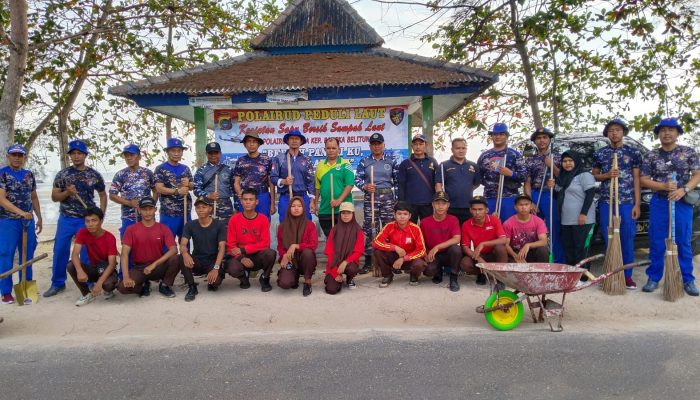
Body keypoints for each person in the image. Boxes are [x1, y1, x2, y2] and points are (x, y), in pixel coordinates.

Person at [640, 118, 700, 296]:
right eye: (663, 130)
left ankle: (687, 279)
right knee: (657, 239)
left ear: (677, 133)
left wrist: (684, 189)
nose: (667, 133)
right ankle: (654, 277)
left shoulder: (688, 152)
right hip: (659, 201)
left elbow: (697, 174)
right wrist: (663, 187)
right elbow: (643, 179)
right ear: (659, 134)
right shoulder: (651, 155)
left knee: (683, 240)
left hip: (682, 202)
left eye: (671, 130)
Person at [45, 139, 107, 297]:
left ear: (85, 155)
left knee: (87, 252)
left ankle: (89, 280)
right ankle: (58, 283)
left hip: (86, 220)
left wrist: (101, 216)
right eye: (73, 153)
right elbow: (54, 197)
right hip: (66, 218)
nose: (77, 156)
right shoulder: (63, 174)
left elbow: (102, 195)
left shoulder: (94, 175)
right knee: (60, 250)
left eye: (80, 153)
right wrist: (67, 193)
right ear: (70, 156)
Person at [591, 119, 642, 289]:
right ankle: (612, 272)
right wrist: (606, 175)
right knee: (609, 237)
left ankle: (626, 275)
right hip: (607, 201)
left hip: (626, 202)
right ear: (607, 134)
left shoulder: (633, 153)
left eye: (618, 130)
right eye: (611, 130)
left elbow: (637, 179)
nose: (614, 133)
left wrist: (637, 204)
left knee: (626, 238)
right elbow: (595, 176)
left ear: (623, 132)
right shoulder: (600, 153)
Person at [0, 144, 42, 305]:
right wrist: (20, 212)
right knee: (6, 254)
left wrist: (39, 217)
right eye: (14, 155)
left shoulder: (28, 175)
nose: (17, 158)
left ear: (24, 157)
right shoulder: (2, 174)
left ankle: (25, 286)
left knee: (27, 254)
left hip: (27, 221)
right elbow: (1, 199)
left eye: (20, 155)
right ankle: (5, 292)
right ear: (8, 157)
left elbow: (34, 197)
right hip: (7, 221)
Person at [117, 196, 180, 298]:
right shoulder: (131, 229)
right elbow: (124, 254)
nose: (147, 212)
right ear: (139, 210)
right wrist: (125, 277)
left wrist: (154, 265)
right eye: (144, 209)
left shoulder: (163, 228)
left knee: (176, 258)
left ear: (155, 210)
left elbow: (174, 250)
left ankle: (165, 285)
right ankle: (143, 286)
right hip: (139, 268)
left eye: (150, 209)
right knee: (122, 288)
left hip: (158, 267)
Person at [355, 132, 400, 274]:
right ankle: (369, 261)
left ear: (383, 145)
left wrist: (396, 201)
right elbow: (357, 180)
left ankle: (391, 260)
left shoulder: (391, 161)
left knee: (389, 228)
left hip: (387, 197)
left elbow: (397, 182)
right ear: (370, 146)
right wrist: (365, 187)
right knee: (370, 228)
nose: (376, 146)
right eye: (373, 144)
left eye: (379, 144)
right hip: (371, 197)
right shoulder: (364, 162)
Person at [551, 151, 596, 273]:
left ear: (576, 161)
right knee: (569, 248)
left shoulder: (584, 175)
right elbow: (557, 196)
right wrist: (552, 187)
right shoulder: (561, 178)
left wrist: (583, 214)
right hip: (566, 219)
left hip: (583, 219)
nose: (567, 163)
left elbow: (590, 194)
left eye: (570, 160)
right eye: (564, 161)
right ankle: (572, 274)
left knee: (581, 248)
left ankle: (583, 275)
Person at [523, 128, 563, 263]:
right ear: (535, 141)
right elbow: (527, 182)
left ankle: (557, 260)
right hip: (535, 194)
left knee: (554, 228)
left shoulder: (558, 157)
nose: (542, 140)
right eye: (538, 138)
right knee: (533, 228)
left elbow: (563, 178)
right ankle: (536, 260)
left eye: (545, 137)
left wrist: (552, 166)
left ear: (549, 140)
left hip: (551, 194)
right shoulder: (530, 160)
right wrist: (530, 202)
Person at [225, 188, 277, 292]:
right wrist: (241, 258)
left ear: (256, 202)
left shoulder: (263, 219)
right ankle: (243, 277)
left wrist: (244, 250)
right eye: (245, 199)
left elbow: (265, 243)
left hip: (257, 255)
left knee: (271, 253)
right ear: (241, 201)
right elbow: (231, 245)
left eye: (251, 199)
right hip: (240, 256)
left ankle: (265, 278)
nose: (248, 202)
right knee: (232, 267)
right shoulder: (234, 219)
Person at [66, 207, 118, 306]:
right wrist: (80, 271)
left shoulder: (110, 237)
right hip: (93, 267)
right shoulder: (82, 232)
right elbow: (75, 254)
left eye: (94, 220)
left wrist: (99, 283)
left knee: (108, 285)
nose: (90, 224)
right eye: (87, 221)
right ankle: (86, 294)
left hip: (107, 269)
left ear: (101, 221)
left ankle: (108, 290)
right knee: (71, 265)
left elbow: (112, 264)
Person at [178, 197, 226, 301]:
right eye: (198, 207)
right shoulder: (190, 225)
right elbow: (183, 244)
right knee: (181, 257)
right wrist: (185, 254)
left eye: (204, 207)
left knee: (215, 283)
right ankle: (192, 286)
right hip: (197, 261)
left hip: (212, 262)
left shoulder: (219, 224)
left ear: (210, 208)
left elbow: (222, 248)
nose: (200, 209)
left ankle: (211, 282)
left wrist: (216, 268)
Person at [476, 123, 526, 222]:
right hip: (490, 197)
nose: (498, 136)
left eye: (501, 134)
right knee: (490, 227)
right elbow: (478, 177)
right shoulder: (485, 155)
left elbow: (524, 176)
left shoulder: (514, 154)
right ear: (492, 136)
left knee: (508, 227)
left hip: (509, 198)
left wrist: (511, 173)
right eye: (495, 134)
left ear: (506, 136)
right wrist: (490, 183)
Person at [372, 202, 427, 288]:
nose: (402, 216)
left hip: (409, 259)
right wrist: (394, 247)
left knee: (419, 263)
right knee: (378, 251)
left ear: (409, 216)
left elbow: (422, 250)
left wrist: (404, 258)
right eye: (399, 213)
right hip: (393, 258)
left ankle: (413, 275)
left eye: (405, 214)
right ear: (394, 215)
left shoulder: (415, 228)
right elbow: (376, 242)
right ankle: (387, 275)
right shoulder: (389, 226)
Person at [109, 144, 156, 238]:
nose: (129, 158)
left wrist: (151, 206)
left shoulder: (148, 173)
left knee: (149, 243)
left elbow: (155, 190)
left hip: (147, 216)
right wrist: (129, 203)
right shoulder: (120, 175)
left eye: (132, 155)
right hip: (128, 217)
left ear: (139, 156)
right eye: (126, 156)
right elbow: (112, 195)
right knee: (129, 245)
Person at [459, 196, 508, 285]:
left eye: (480, 209)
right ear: (470, 210)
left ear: (486, 210)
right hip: (480, 254)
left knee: (500, 248)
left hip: (494, 254)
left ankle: (501, 278)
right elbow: (465, 246)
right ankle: (482, 274)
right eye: (474, 209)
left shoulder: (494, 220)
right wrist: (478, 259)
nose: (477, 212)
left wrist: (483, 244)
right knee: (465, 263)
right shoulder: (466, 224)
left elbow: (504, 240)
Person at [419, 191, 462, 292]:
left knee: (456, 249)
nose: (440, 207)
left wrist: (437, 247)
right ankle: (438, 272)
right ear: (433, 204)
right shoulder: (424, 222)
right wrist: (425, 255)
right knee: (428, 271)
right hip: (433, 255)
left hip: (448, 253)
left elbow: (457, 239)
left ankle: (453, 278)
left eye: (443, 204)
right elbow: (421, 242)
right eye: (438, 203)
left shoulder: (453, 219)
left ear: (448, 205)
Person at [276, 196, 319, 296]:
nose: (296, 208)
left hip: (305, 260)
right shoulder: (282, 226)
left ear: (303, 208)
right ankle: (293, 276)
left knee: (308, 252)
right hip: (290, 260)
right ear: (289, 208)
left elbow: (313, 244)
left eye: (299, 206)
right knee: (285, 283)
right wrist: (284, 255)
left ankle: (307, 281)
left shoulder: (310, 225)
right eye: (293, 206)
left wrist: (296, 246)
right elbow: (280, 246)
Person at [270, 129, 314, 222]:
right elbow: (273, 177)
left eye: (297, 139)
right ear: (287, 141)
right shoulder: (279, 158)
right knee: (285, 224)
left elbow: (310, 181)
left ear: (301, 141)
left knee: (305, 224)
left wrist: (312, 200)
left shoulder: (306, 159)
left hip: (302, 197)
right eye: (292, 138)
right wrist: (283, 181)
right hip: (286, 197)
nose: (294, 141)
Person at [154, 137, 193, 243]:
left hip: (185, 212)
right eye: (173, 151)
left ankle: (185, 260)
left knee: (185, 242)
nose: (176, 153)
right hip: (169, 213)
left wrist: (189, 184)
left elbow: (193, 186)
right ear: (167, 152)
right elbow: (159, 188)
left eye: (179, 151)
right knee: (167, 243)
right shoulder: (160, 169)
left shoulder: (185, 168)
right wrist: (177, 191)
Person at [314, 137, 354, 237]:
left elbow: (349, 185)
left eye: (333, 148)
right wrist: (315, 204)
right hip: (325, 209)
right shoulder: (320, 166)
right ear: (325, 149)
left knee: (344, 237)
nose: (331, 150)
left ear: (339, 149)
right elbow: (317, 187)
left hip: (343, 209)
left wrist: (339, 200)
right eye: (328, 148)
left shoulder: (346, 164)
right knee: (331, 238)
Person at [435, 138, 481, 226]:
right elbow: (438, 185)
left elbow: (476, 183)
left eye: (463, 148)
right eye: (458, 148)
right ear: (452, 150)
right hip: (450, 207)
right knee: (451, 234)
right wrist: (442, 203)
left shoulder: (473, 166)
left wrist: (465, 189)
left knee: (465, 235)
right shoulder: (443, 165)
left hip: (467, 206)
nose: (461, 151)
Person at [323, 202, 364, 295]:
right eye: (343, 213)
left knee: (352, 268)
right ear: (340, 214)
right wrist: (335, 272)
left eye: (348, 213)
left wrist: (345, 262)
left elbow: (358, 251)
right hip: (334, 264)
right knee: (331, 290)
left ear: (353, 214)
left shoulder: (358, 230)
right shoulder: (334, 230)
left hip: (349, 263)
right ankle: (337, 279)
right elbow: (329, 252)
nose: (346, 216)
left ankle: (350, 278)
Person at [233, 132, 276, 219]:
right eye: (248, 141)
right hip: (246, 198)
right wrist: (240, 194)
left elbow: (271, 182)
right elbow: (236, 182)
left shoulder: (266, 159)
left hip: (262, 197)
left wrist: (272, 203)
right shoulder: (240, 161)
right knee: (245, 226)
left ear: (259, 144)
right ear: (245, 144)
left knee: (264, 224)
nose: (251, 144)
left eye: (254, 141)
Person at [398, 134, 438, 223]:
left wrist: (437, 201)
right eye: (415, 144)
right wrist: (402, 204)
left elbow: (437, 183)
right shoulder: (405, 164)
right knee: (410, 230)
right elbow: (401, 185)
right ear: (412, 146)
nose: (418, 147)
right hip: (410, 204)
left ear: (426, 145)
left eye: (421, 144)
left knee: (427, 229)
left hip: (428, 203)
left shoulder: (433, 162)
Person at [194, 141, 235, 224]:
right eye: (210, 153)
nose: (213, 155)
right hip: (208, 207)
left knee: (225, 232)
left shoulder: (228, 169)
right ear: (206, 154)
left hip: (226, 206)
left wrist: (236, 206)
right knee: (208, 232)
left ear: (220, 153)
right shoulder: (201, 171)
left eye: (216, 153)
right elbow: (196, 190)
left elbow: (233, 189)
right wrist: (208, 195)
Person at [503, 194, 549, 263]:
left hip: (532, 251)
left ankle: (543, 272)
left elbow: (544, 241)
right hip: (515, 253)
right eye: (521, 205)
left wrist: (528, 245)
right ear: (515, 207)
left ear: (531, 206)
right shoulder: (508, 223)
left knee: (543, 250)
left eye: (526, 204)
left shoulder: (538, 221)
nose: (524, 207)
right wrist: (515, 256)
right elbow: (505, 244)